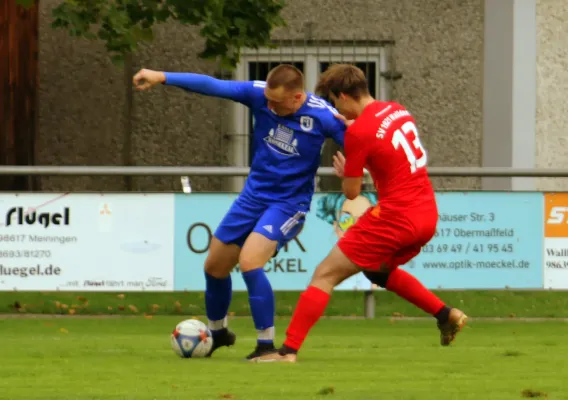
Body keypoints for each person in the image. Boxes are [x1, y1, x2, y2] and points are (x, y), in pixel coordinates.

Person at [251, 63, 468, 363]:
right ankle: (446, 315)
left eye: (334, 101)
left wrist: (347, 173)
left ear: (342, 96)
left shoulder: (359, 133)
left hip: (396, 216)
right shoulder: (397, 110)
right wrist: (357, 130)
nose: (336, 108)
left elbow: (352, 193)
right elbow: (383, 140)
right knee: (377, 270)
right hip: (426, 214)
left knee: (324, 274)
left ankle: (288, 352)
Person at [132, 64, 347, 359]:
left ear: (297, 97)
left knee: (249, 261)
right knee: (214, 267)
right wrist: (162, 77)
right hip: (252, 197)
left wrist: (355, 168)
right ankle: (218, 333)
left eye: (277, 103)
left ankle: (266, 346)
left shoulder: (323, 116)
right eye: (267, 100)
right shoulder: (259, 95)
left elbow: (362, 143)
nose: (269, 107)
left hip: (288, 204)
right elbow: (213, 85)